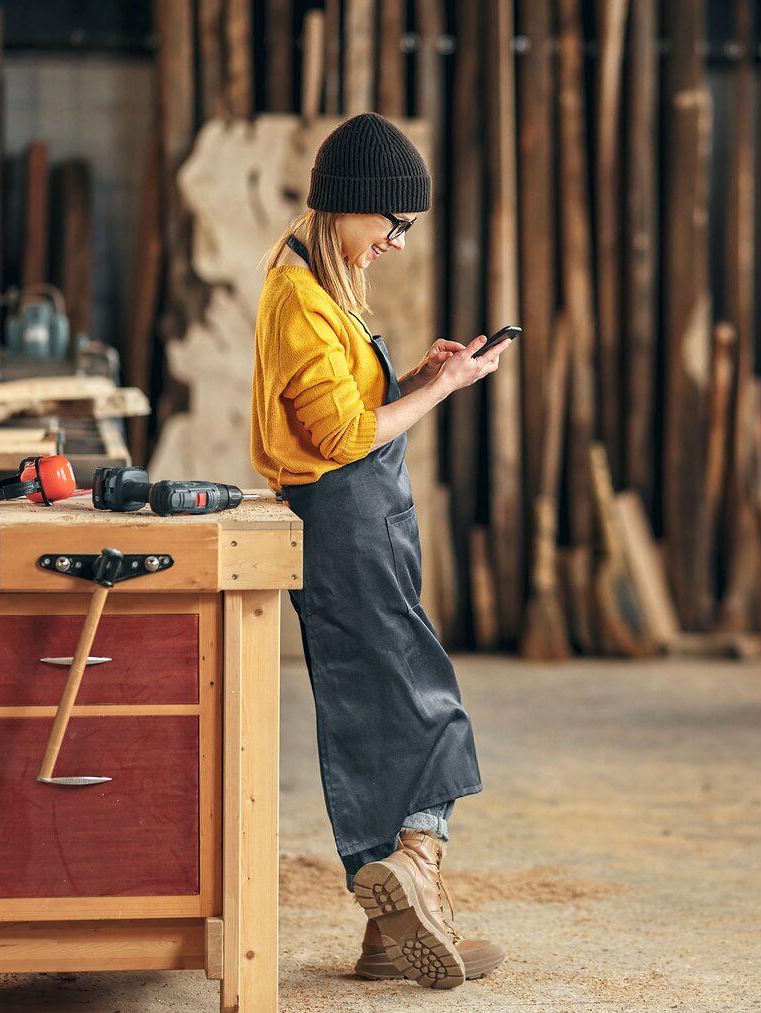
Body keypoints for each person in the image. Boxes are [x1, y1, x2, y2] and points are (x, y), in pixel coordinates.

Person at [250, 112, 512, 989]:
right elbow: (345, 435)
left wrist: (423, 378)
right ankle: (417, 857)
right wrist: (439, 394)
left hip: (358, 519)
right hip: (348, 522)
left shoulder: (318, 293)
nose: (397, 241)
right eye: (391, 224)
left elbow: (347, 412)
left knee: (368, 711)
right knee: (423, 698)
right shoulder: (298, 298)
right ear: (350, 208)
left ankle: (387, 932)